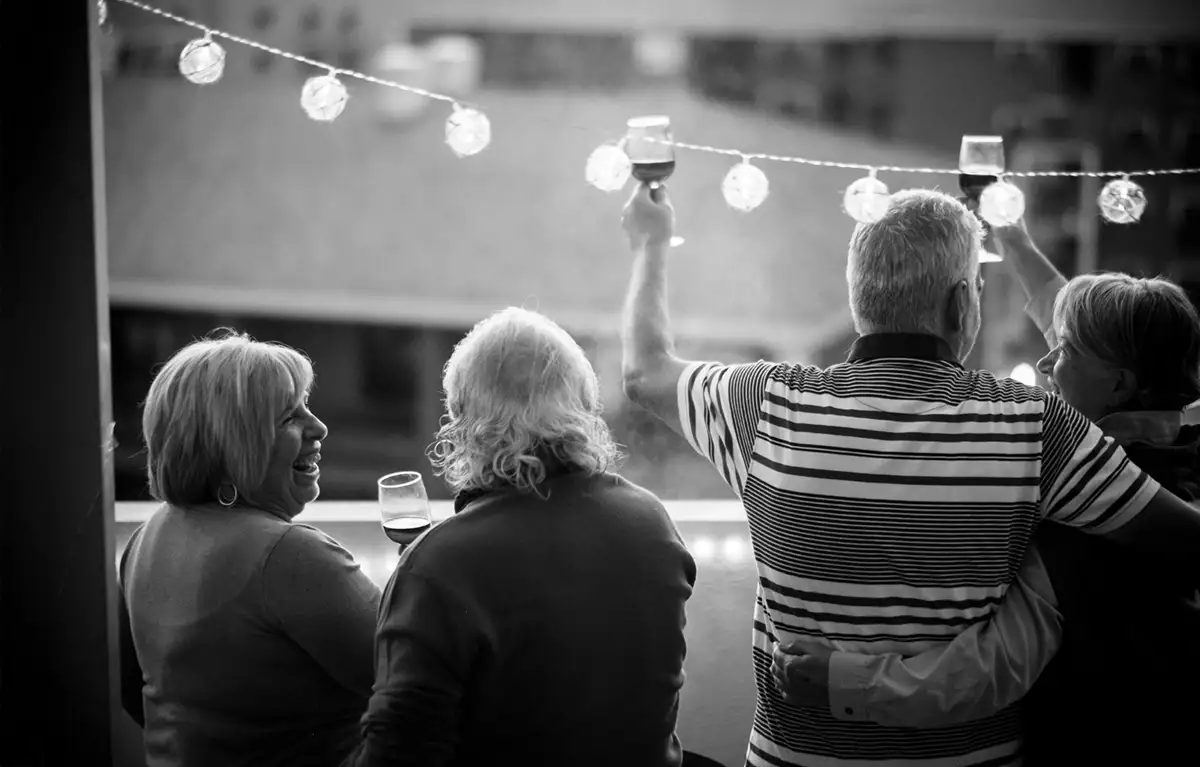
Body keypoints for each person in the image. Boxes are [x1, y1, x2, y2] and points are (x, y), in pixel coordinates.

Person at [619, 183, 1200, 767]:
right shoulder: (1040, 428)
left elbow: (643, 374)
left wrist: (651, 242)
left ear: (859, 299)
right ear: (960, 305)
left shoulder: (763, 402)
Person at [771, 220, 1200, 765]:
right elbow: (1084, 333)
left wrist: (844, 685)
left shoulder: (1093, 507)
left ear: (1119, 384)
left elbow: (990, 669)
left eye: (1062, 351)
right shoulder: (1176, 446)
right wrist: (1013, 238)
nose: (1046, 362)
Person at [344, 307, 696, 767]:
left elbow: (395, 755)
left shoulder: (439, 563)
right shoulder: (652, 521)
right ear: (584, 406)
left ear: (463, 421)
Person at [118, 330, 381, 767]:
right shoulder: (288, 554)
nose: (319, 427)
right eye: (289, 418)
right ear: (233, 442)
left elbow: (133, 695)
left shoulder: (146, 538)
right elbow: (418, 679)